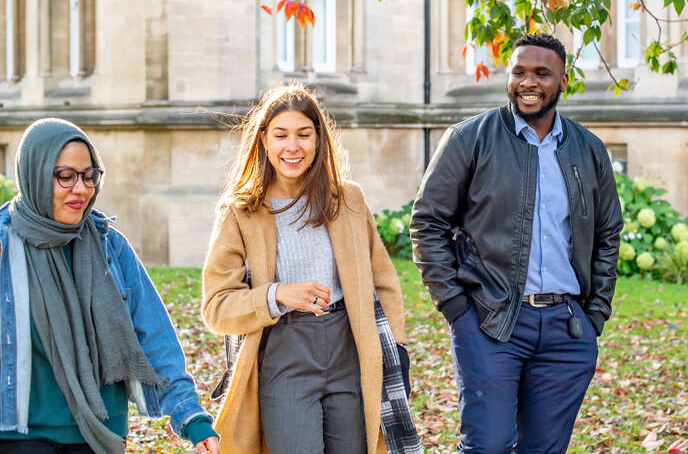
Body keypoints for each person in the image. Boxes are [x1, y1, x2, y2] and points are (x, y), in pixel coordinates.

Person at [411, 33, 622, 453]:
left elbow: (607, 232)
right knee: (487, 446)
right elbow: (427, 223)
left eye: (541, 74)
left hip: (567, 328)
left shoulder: (588, 149)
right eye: (519, 72)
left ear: (563, 80)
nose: (528, 83)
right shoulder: (470, 139)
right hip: (491, 322)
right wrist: (457, 308)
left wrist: (594, 312)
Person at [201, 82, 419, 454]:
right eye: (281, 135)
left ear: (318, 140)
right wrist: (276, 295)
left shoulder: (348, 199)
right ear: (264, 141)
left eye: (304, 134)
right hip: (284, 351)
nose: (292, 146)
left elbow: (384, 282)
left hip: (349, 348)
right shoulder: (240, 212)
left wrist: (394, 348)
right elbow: (216, 307)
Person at [0, 118, 219, 454]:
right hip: (20, 437)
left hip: (101, 436)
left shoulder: (110, 247)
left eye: (90, 176)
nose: (81, 189)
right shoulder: (4, 247)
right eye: (65, 176)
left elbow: (153, 335)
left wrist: (190, 417)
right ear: (34, 172)